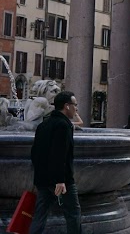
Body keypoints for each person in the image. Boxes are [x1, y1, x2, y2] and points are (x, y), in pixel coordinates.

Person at [30, 90, 81, 234]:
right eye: (75, 105)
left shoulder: (43, 124)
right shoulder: (64, 125)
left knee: (40, 216)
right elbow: (59, 154)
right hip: (62, 181)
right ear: (67, 106)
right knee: (73, 214)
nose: (76, 108)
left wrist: (38, 177)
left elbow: (35, 153)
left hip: (42, 180)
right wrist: (60, 180)